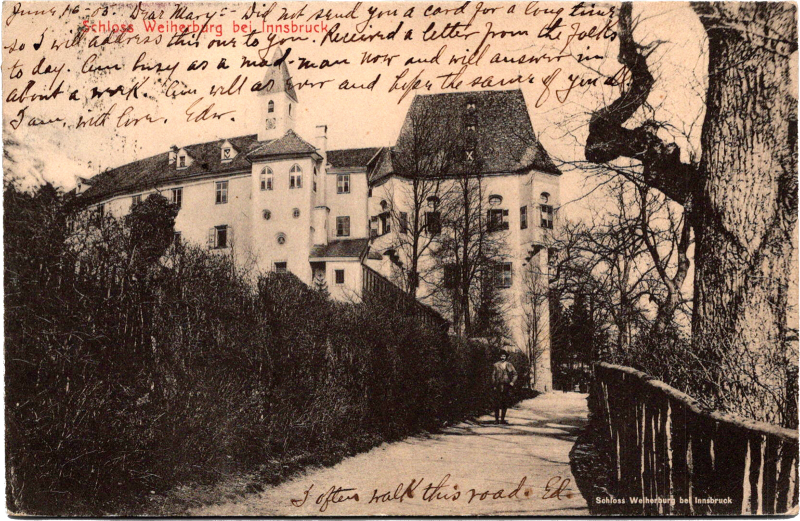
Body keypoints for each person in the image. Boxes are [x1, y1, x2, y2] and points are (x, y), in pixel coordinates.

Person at [492, 350, 517, 424]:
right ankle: (496, 420)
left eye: (504, 356)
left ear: (506, 357)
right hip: (498, 385)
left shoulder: (509, 365)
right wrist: (494, 384)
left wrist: (512, 382)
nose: (502, 357)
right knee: (496, 402)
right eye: (501, 356)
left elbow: (515, 374)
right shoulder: (496, 365)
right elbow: (493, 375)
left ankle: (502, 419)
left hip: (506, 385)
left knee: (505, 402)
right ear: (499, 356)